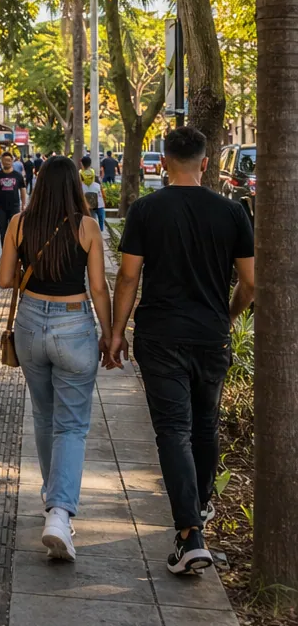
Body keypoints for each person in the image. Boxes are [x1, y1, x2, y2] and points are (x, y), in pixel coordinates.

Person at [109, 126, 255, 575]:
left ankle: (190, 532)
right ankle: (200, 509)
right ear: (206, 163)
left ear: (164, 163)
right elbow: (250, 284)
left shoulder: (146, 211)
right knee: (205, 424)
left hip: (160, 335)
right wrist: (227, 317)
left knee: (173, 430)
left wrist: (116, 332)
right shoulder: (233, 213)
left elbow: (129, 277)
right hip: (210, 335)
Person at [0, 156, 112, 562]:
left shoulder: (19, 224)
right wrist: (112, 333)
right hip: (73, 323)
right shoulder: (87, 227)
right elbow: (98, 287)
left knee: (45, 416)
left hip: (29, 322)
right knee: (72, 425)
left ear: (40, 183)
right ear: (75, 188)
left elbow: (5, 279)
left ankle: (54, 500)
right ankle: (60, 513)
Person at [0, 153, 27, 244]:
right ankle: (5, 253)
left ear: (12, 161)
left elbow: (23, 190)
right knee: (3, 232)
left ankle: (15, 252)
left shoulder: (18, 175)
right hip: (1, 207)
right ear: (1, 161)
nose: (7, 162)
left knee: (15, 231)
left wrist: (24, 204)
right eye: (5, 160)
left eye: (9, 160)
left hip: (15, 206)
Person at [79, 156, 105, 231]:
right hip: (97, 202)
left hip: (85, 203)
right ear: (90, 163)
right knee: (100, 217)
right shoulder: (94, 174)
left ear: (82, 164)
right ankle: (100, 231)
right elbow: (100, 187)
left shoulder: (80, 174)